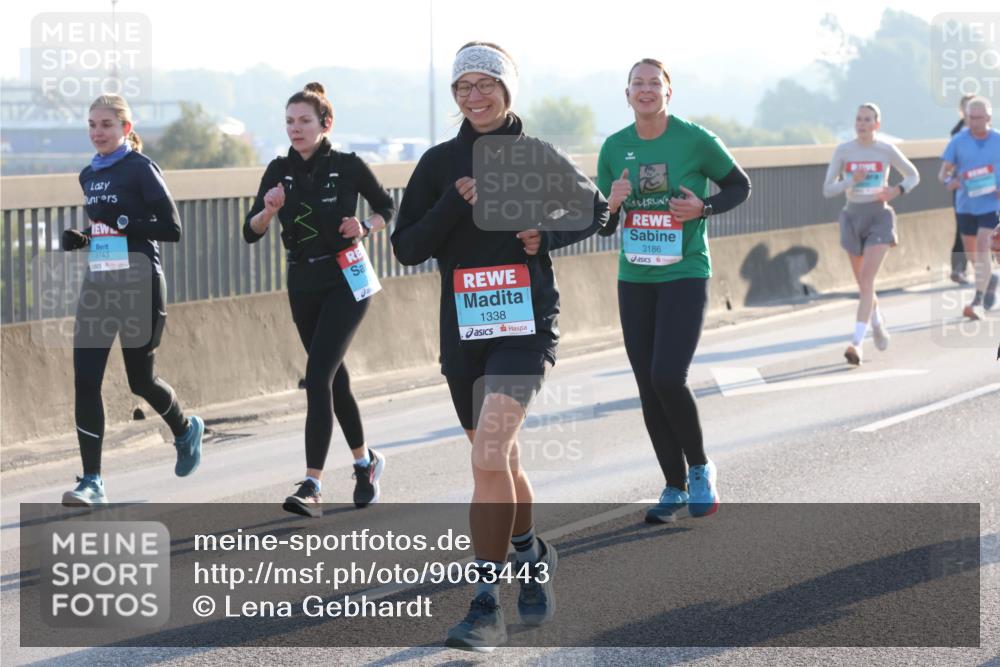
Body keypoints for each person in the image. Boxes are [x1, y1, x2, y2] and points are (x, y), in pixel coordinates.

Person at [391, 42, 609, 652]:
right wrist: (448, 203)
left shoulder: (535, 154)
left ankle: (485, 606)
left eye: (486, 84)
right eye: (463, 87)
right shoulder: (438, 161)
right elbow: (406, 247)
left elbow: (594, 210)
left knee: (487, 456)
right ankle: (531, 554)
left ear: (507, 89)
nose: (474, 96)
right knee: (501, 461)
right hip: (463, 331)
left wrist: (548, 235)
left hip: (524, 326)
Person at [597, 59, 750, 524]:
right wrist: (615, 203)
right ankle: (673, 485)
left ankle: (700, 467)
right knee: (647, 385)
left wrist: (702, 207)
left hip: (684, 272)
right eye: (637, 84)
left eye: (653, 84)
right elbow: (603, 225)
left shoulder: (694, 138)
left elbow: (739, 186)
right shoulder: (614, 147)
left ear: (668, 92)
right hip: (635, 277)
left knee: (668, 376)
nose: (645, 91)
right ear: (627, 95)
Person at [244, 83, 395, 518]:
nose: (296, 129)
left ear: (325, 124)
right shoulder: (277, 169)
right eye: (289, 122)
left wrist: (365, 227)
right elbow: (249, 231)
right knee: (333, 378)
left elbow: (389, 207)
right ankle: (365, 464)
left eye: (304, 121)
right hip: (302, 279)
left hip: (346, 278)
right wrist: (268, 211)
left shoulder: (347, 166)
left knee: (317, 376)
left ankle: (312, 484)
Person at [60, 94, 204, 506]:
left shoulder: (142, 169)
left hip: (140, 284)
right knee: (85, 380)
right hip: (99, 284)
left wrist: (123, 222)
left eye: (105, 124)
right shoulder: (88, 174)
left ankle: (184, 429)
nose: (97, 132)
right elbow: (106, 228)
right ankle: (92, 481)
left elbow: (171, 228)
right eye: (91, 124)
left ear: (125, 128)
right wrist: (84, 238)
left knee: (141, 380)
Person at [823, 103, 920, 365]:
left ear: (877, 124)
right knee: (864, 285)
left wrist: (897, 191)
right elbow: (827, 189)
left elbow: (913, 175)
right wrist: (851, 181)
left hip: (879, 217)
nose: (862, 124)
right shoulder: (844, 150)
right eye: (858, 119)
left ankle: (856, 343)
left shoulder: (886, 150)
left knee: (867, 278)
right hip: (852, 217)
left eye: (868, 120)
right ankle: (876, 321)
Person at [939, 96, 1000, 321]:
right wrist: (949, 182)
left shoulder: (998, 140)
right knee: (973, 254)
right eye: (970, 117)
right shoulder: (958, 141)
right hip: (966, 204)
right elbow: (943, 173)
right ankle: (989, 279)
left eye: (979, 118)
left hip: (992, 204)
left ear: (989, 118)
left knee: (984, 246)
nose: (974, 122)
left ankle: (978, 301)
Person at [949, 94, 976, 284]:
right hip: (963, 189)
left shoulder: (989, 133)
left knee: (988, 227)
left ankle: (986, 268)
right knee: (962, 228)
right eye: (966, 107)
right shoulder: (956, 133)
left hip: (986, 188)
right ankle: (958, 269)